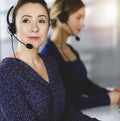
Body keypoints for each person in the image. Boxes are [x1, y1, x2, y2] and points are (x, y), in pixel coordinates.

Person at [0, 0, 100, 120]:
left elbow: (66, 111)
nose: (35, 28)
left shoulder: (49, 63)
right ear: (13, 27)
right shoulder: (6, 73)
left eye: (41, 21)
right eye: (26, 20)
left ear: (48, 26)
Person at [41, 0, 120, 110]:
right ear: (62, 17)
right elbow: (65, 103)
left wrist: (112, 93)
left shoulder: (71, 50)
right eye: (79, 17)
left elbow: (85, 85)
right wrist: (107, 98)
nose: (83, 24)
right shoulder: (48, 56)